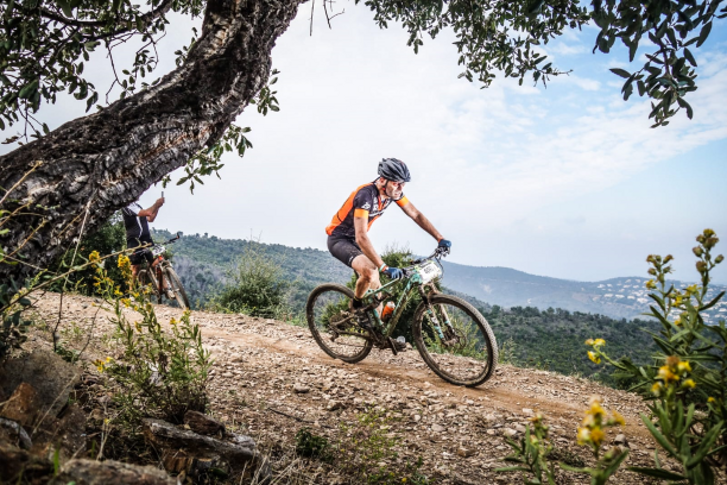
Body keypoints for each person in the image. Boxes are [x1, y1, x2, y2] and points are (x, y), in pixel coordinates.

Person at [326, 158, 451, 328]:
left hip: (357, 240)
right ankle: (356, 307)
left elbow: (415, 214)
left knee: (377, 290)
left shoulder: (392, 193)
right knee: (371, 271)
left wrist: (439, 237)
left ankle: (378, 332)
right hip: (340, 239)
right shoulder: (365, 195)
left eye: (403, 184)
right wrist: (384, 267)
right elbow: (361, 237)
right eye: (396, 183)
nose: (400, 188)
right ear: (383, 180)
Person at [121, 197, 170, 295]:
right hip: (134, 241)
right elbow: (147, 212)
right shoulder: (127, 207)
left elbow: (150, 218)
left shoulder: (137, 206)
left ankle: (167, 288)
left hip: (146, 239)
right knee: (135, 268)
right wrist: (156, 204)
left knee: (157, 261)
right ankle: (131, 294)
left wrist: (158, 207)